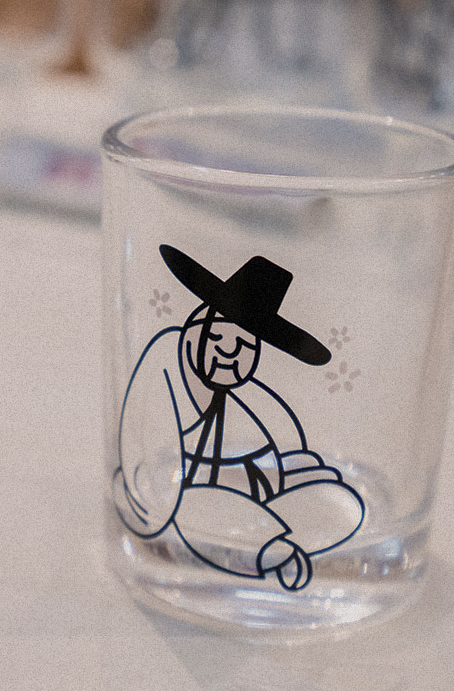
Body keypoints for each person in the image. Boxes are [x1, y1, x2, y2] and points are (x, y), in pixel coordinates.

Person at [112, 245, 364, 591]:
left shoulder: (245, 399)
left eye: (244, 346)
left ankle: (277, 545)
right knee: (193, 503)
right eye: (217, 336)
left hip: (246, 497)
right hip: (179, 501)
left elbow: (281, 447)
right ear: (195, 328)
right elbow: (141, 459)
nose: (229, 351)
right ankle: (271, 552)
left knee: (338, 500)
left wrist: (296, 476)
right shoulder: (165, 362)